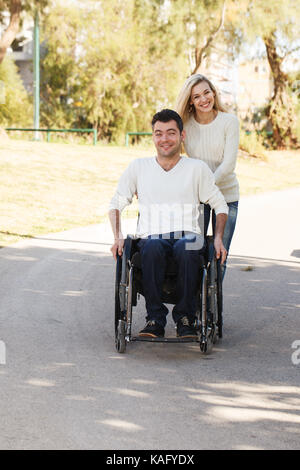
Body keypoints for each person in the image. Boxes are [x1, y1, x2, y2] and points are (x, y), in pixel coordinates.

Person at [109, 109, 228, 339]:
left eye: (171, 133)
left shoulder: (196, 169)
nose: (165, 139)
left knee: (188, 246)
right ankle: (154, 319)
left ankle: (186, 318)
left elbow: (220, 206)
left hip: (188, 235)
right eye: (159, 133)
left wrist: (219, 238)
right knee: (152, 247)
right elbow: (115, 204)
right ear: (153, 137)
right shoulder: (138, 167)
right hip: (151, 236)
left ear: (182, 136)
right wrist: (117, 236)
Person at [176, 74, 239, 278]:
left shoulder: (229, 121)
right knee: (194, 251)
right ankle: (194, 304)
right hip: (198, 200)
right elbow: (171, 156)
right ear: (190, 101)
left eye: (206, 92)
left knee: (219, 255)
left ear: (213, 92)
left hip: (227, 197)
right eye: (196, 96)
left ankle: (212, 308)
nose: (204, 99)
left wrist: (205, 187)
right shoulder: (184, 125)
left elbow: (228, 164)